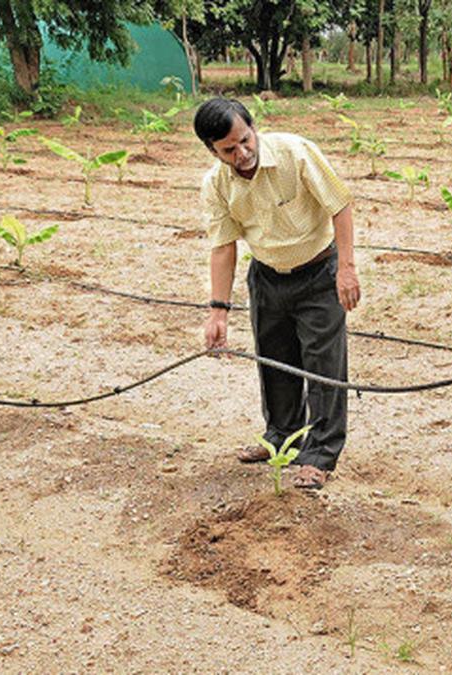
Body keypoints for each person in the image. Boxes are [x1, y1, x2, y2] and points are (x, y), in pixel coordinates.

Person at [195, 97, 360, 489]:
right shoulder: (216, 184)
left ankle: (320, 454)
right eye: (229, 150)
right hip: (267, 277)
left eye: (245, 140)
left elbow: (340, 204)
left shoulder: (294, 152)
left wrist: (347, 269)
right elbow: (223, 246)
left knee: (323, 367)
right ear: (213, 151)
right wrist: (218, 312)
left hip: (320, 272)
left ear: (253, 128)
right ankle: (281, 438)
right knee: (275, 362)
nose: (243, 153)